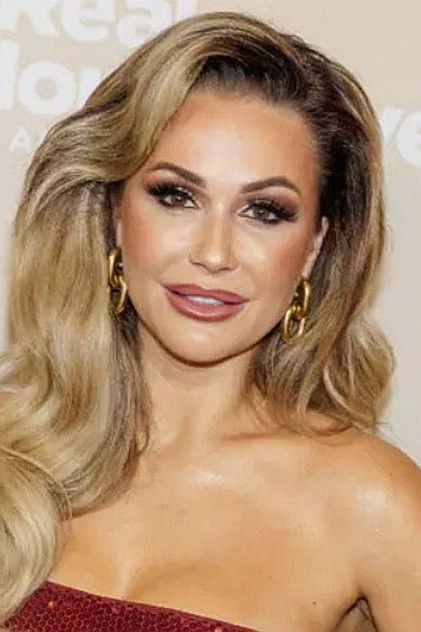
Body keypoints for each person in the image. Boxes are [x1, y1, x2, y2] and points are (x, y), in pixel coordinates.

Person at [2, 9, 420, 632]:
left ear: (314, 246)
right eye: (176, 196)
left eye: (265, 211)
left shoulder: (370, 501)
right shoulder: (13, 449)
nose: (214, 253)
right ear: (115, 212)